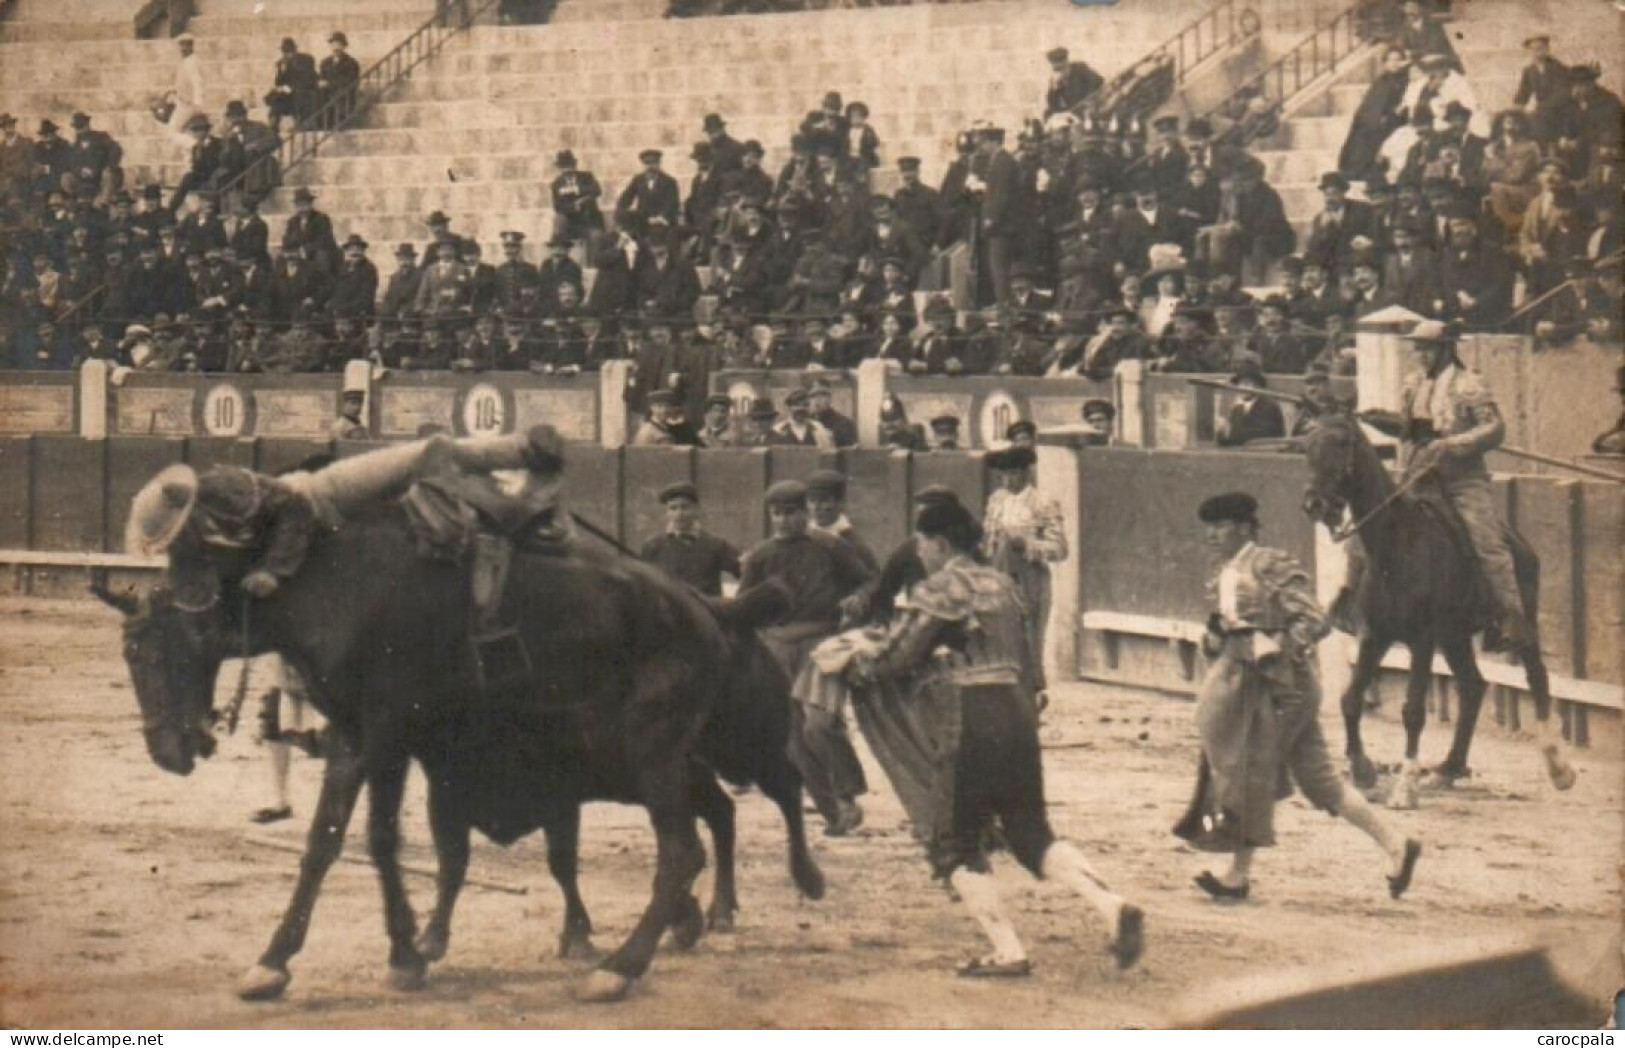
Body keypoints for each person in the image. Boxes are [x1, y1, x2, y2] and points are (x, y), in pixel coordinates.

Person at [841, 497, 1144, 977]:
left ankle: (1008, 950)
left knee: (954, 843)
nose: (920, 552)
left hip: (971, 713)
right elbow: (1025, 659)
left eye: (922, 543)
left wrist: (854, 658)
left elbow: (897, 657)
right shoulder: (1004, 584)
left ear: (939, 542)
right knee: (1029, 831)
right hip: (1017, 710)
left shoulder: (943, 587)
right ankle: (1111, 904)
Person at [1173, 491, 1422, 901]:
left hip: (1282, 686)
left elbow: (1315, 620)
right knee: (1319, 781)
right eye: (1210, 529)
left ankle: (1237, 876)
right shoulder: (1224, 572)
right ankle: (1397, 845)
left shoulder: (1269, 563)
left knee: (1250, 765)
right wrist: (1213, 638)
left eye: (1219, 527)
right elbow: (1228, 632)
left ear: (1242, 527)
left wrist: (1277, 648)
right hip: (1249, 683)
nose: (1211, 536)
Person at [1359, 320, 1534, 648]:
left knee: (1488, 543)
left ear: (1445, 349)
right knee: (1373, 523)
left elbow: (1495, 429)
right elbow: (1410, 429)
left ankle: (1510, 618)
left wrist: (1453, 443)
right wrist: (1379, 419)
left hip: (1461, 480)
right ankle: (1354, 604)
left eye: (1425, 348)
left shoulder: (1470, 384)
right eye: (1417, 348)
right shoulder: (1413, 384)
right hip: (1418, 475)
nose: (1419, 355)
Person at [740, 481, 874, 836]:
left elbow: (868, 582)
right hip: (776, 647)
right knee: (793, 736)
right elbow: (744, 607)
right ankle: (834, 813)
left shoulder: (830, 546)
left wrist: (857, 599)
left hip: (822, 645)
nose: (783, 521)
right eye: (777, 514)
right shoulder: (759, 556)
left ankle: (847, 793)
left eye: (791, 513)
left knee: (820, 723)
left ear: (806, 512)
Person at [981, 444, 1067, 704]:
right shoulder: (997, 500)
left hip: (1031, 579)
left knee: (1029, 641)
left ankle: (1031, 697)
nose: (1008, 480)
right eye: (1003, 474)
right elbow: (988, 541)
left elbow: (1060, 549)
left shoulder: (1043, 502)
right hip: (999, 576)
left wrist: (1026, 545)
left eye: (1014, 473)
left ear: (1026, 473)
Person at [639, 482, 742, 598]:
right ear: (667, 513)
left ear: (697, 509)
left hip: (704, 613)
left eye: (685, 507)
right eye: (673, 508)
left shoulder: (716, 545)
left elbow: (746, 572)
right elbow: (642, 586)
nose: (679, 514)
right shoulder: (652, 546)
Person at [806, 470, 877, 572]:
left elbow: (872, 581)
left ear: (840, 503)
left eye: (824, 501)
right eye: (812, 500)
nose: (816, 507)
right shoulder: (802, 536)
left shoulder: (852, 543)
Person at [1216, 364, 1287, 446]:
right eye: (1240, 384)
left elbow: (1262, 435)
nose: (1242, 388)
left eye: (1247, 384)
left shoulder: (1269, 406)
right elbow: (1228, 440)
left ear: (1257, 386)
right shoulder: (1237, 410)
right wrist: (1222, 432)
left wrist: (1231, 432)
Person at [167, 33, 206, 146]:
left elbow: (197, 83)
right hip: (182, 102)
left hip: (188, 104)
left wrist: (198, 103)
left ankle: (195, 146)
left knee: (171, 133)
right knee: (184, 131)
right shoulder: (185, 61)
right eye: (182, 45)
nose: (183, 48)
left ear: (191, 46)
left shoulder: (192, 62)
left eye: (186, 45)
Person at [317, 31, 362, 129]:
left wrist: (329, 83)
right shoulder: (325, 63)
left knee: (338, 97)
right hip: (326, 95)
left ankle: (336, 123)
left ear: (344, 46)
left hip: (343, 96)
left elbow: (350, 82)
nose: (336, 47)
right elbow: (321, 79)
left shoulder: (351, 63)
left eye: (339, 44)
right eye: (333, 44)